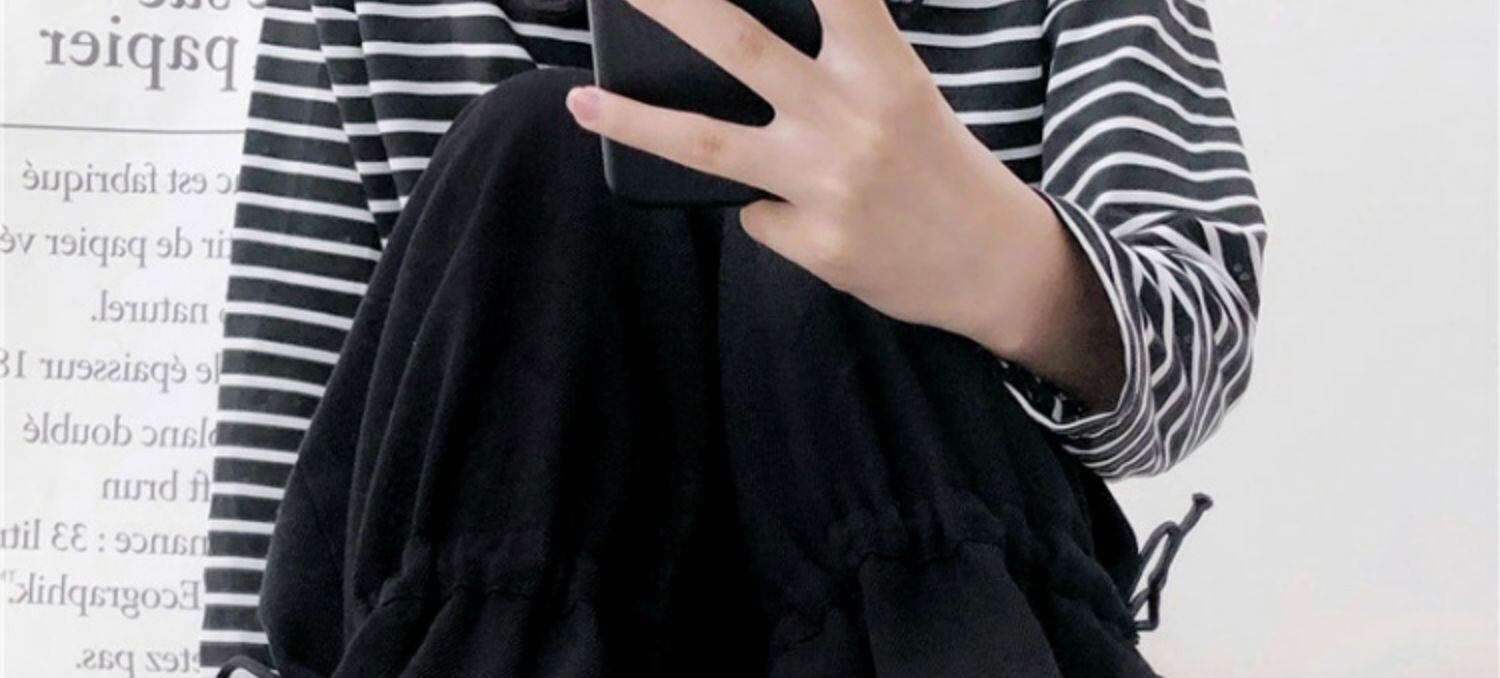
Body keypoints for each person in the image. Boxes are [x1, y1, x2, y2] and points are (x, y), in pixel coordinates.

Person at [201, 0, 1267, 675]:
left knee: (815, 227)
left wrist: (990, 253)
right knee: (538, 156)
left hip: (922, 573)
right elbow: (300, 395)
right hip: (510, 581)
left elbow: (1196, 333)